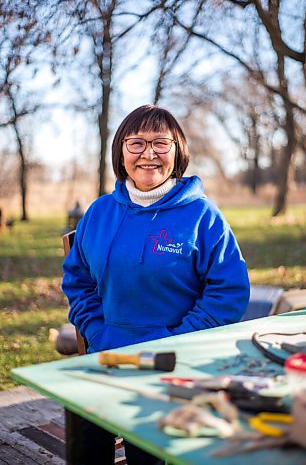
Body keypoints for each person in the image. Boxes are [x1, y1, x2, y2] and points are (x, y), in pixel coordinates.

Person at [62, 104, 250, 464]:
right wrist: (98, 333)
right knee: (83, 437)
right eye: (136, 143)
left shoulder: (202, 216)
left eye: (160, 143)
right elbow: (78, 280)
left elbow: (228, 291)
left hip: (176, 361)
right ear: (121, 151)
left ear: (177, 152)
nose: (149, 153)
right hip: (107, 353)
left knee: (148, 449)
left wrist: (175, 343)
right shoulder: (99, 213)